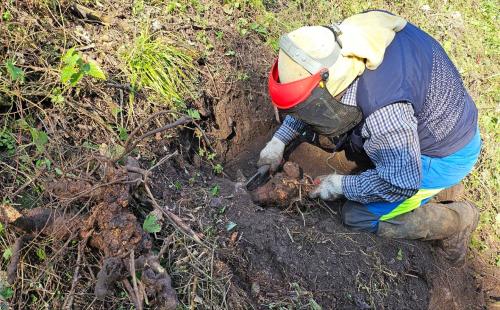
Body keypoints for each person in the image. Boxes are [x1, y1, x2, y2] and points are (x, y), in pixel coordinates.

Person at [258, 10, 481, 265]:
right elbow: (313, 98)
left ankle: (457, 221)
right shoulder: (350, 44)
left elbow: (401, 182)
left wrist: (340, 185)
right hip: (431, 114)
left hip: (443, 155)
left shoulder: (384, 110)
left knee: (357, 216)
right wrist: (279, 141)